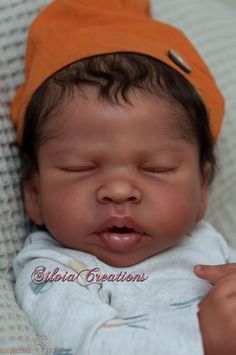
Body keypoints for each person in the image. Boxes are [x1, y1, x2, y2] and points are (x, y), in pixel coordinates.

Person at [11, 0, 236, 354]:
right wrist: (207, 343)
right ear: (34, 195)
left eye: (157, 168)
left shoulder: (205, 243)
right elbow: (87, 345)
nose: (118, 190)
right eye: (79, 168)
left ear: (201, 190)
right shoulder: (55, 271)